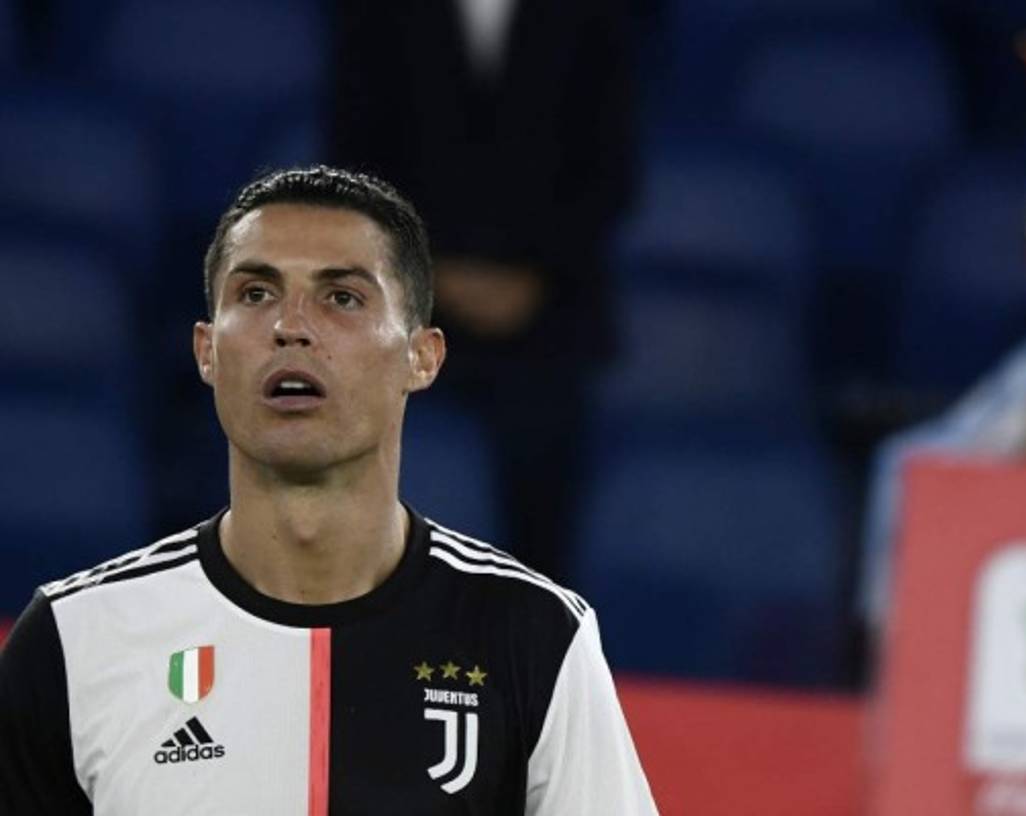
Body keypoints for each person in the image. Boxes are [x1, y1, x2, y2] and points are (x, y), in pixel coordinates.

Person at [0, 166, 657, 814]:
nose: (291, 325)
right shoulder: (74, 639)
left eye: (341, 297)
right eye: (256, 294)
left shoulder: (534, 637)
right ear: (206, 351)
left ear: (420, 356)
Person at [330, 0, 637, 581]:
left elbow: (610, 172)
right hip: (405, 305)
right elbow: (356, 157)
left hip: (550, 311)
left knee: (545, 501)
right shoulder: (378, 15)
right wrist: (432, 274)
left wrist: (532, 276)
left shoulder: (596, 16)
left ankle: (537, 652)